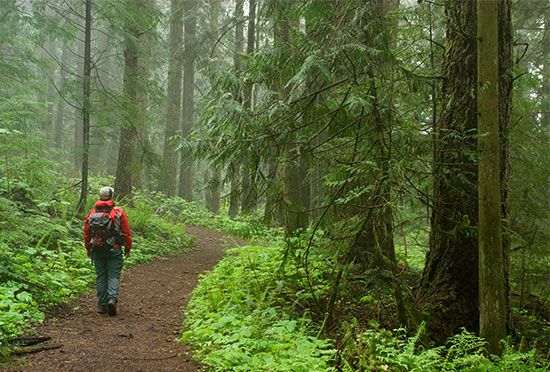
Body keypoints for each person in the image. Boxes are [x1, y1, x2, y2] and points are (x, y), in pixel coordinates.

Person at [83, 186, 132, 316]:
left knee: (101, 276)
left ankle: (101, 304)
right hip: (114, 249)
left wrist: (88, 247)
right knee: (113, 275)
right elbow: (126, 232)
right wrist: (127, 248)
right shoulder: (118, 211)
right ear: (112, 196)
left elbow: (86, 232)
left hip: (97, 249)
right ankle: (112, 299)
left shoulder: (92, 213)